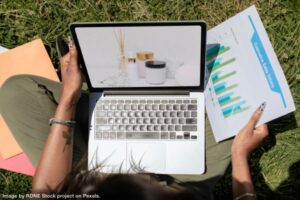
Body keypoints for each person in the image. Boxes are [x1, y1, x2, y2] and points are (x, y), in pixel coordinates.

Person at [0, 39, 268, 200]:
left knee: (15, 94)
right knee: (236, 108)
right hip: (180, 180)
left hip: (89, 174)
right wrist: (239, 155)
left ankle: (99, 115)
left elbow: (46, 192)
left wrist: (69, 99)